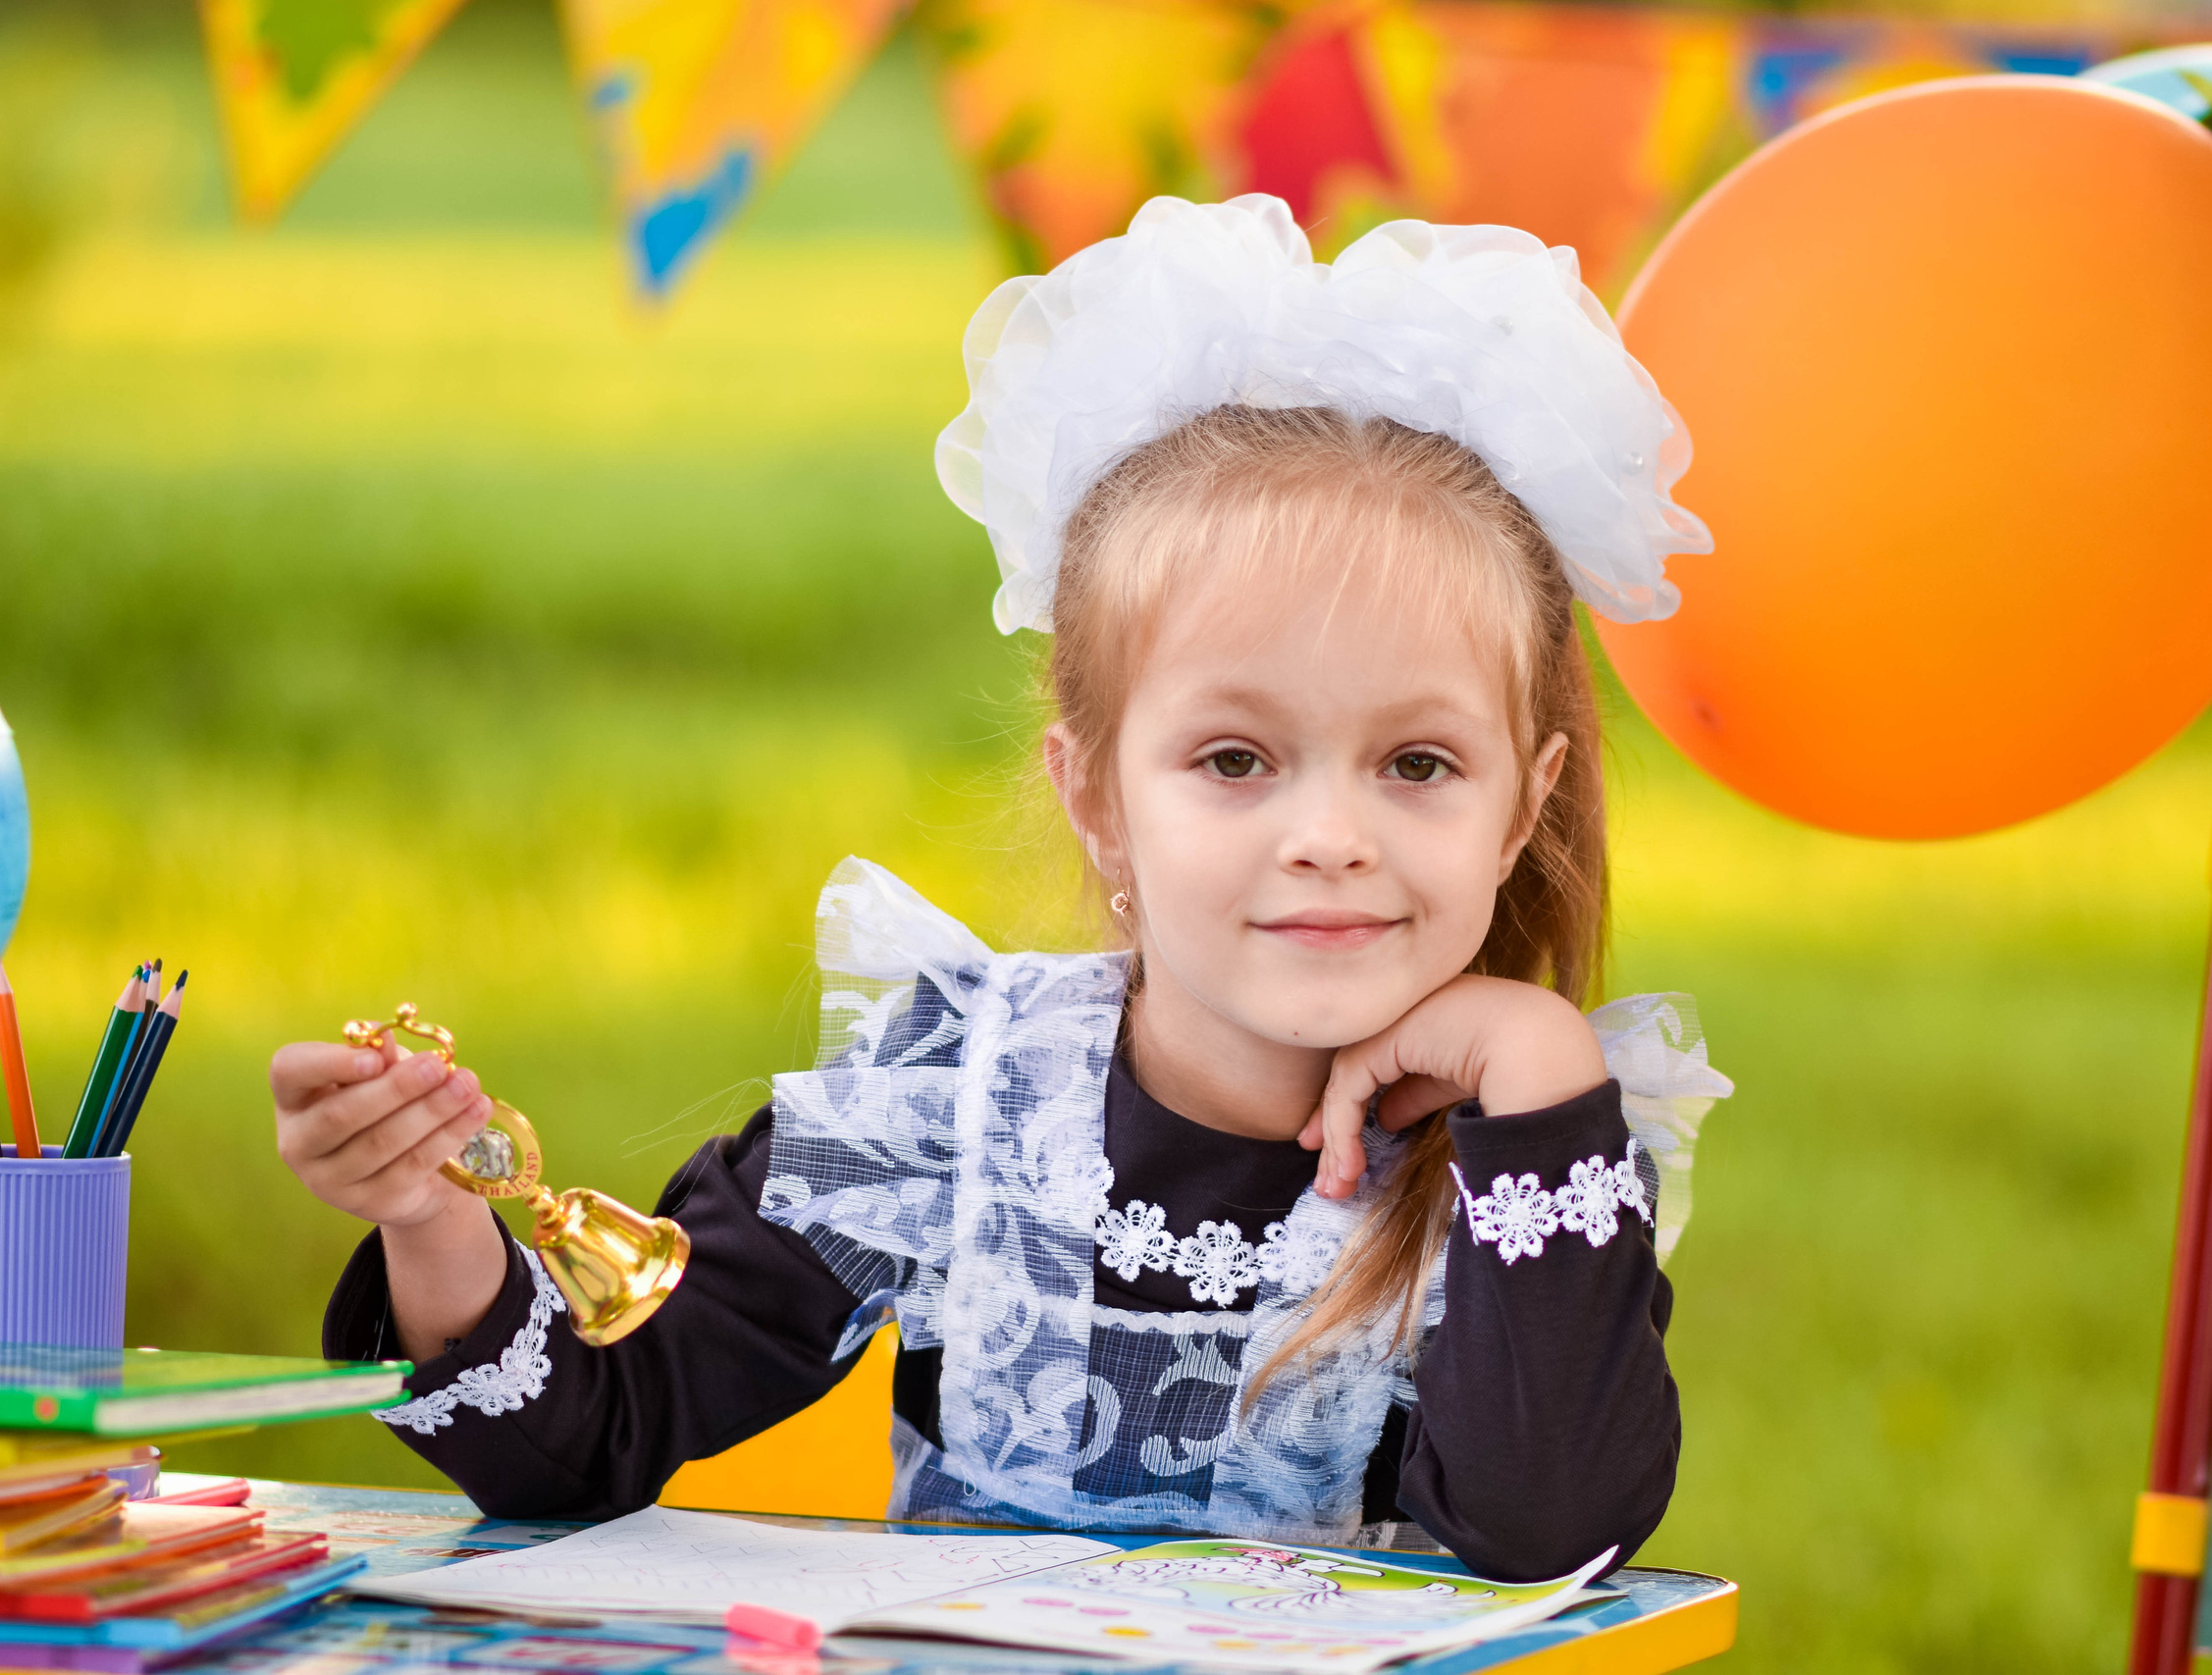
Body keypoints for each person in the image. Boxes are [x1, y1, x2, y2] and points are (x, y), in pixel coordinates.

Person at [268, 196, 1732, 1583]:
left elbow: (1552, 1536)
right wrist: (430, 1217)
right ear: (1097, 798)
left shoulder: (1526, 1165)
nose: (1331, 836)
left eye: (1417, 764)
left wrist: (1539, 1068)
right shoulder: (954, 1101)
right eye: (1235, 760)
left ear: (1522, 805)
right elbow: (583, 1445)